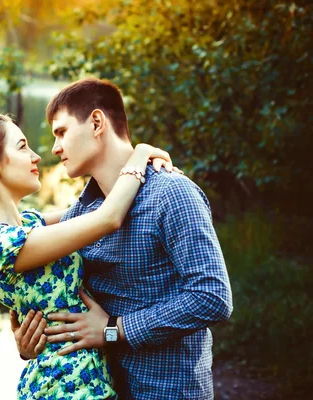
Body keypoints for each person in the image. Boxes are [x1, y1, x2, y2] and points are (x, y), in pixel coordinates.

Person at [0, 111, 178, 399]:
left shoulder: (28, 224)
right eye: (22, 146)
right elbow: (107, 218)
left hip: (84, 380)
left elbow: (92, 209)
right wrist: (139, 154)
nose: (37, 156)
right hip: (63, 387)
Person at [13, 78, 233, 399]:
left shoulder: (171, 194)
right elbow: (33, 265)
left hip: (167, 392)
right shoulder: (81, 214)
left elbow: (212, 296)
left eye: (61, 132)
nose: (54, 147)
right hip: (101, 389)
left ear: (97, 122)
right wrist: (27, 339)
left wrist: (114, 330)